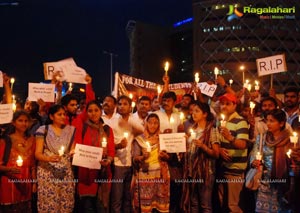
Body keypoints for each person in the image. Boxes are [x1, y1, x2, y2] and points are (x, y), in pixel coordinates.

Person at [74, 100, 115, 213]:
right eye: (90, 111)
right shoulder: (82, 128)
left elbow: (111, 151)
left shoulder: (107, 129)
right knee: (88, 207)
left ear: (101, 111)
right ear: (86, 113)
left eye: (96, 110)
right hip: (86, 175)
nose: (93, 113)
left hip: (102, 173)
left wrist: (108, 160)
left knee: (101, 207)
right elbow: (77, 148)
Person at [35, 104, 75, 212]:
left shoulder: (70, 130)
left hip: (65, 173)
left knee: (65, 202)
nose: (63, 116)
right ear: (51, 117)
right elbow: (37, 154)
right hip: (47, 173)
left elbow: (72, 149)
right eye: (59, 114)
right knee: (49, 203)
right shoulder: (43, 130)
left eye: (64, 114)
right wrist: (49, 159)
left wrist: (74, 153)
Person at [250, 109, 293, 212]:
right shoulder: (262, 138)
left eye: (272, 121)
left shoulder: (290, 140)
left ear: (281, 123)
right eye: (267, 120)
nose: (268, 124)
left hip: (282, 183)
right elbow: (254, 153)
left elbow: (293, 160)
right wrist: (254, 161)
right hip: (264, 182)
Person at [181, 101, 219, 212]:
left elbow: (216, 154)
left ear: (205, 114)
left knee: (205, 205)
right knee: (193, 204)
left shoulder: (211, 130)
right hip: (191, 172)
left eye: (197, 111)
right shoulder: (192, 130)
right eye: (193, 111)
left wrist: (203, 146)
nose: (194, 113)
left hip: (205, 173)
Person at [110, 95, 144, 213]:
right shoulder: (113, 122)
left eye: (125, 104)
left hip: (129, 164)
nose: (122, 106)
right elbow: (108, 145)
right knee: (117, 198)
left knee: (127, 198)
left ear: (130, 107)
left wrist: (129, 119)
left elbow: (142, 130)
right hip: (117, 164)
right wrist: (119, 146)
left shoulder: (132, 121)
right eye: (120, 104)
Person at [217, 93, 249, 213]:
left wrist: (230, 137)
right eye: (222, 104)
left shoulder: (241, 122)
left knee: (233, 205)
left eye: (228, 104)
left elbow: (243, 145)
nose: (224, 106)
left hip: (235, 171)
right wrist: (219, 150)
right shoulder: (220, 121)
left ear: (234, 105)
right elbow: (217, 142)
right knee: (222, 203)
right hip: (222, 169)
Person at [132, 113, 170, 213]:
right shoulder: (139, 139)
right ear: (146, 124)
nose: (153, 125)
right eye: (150, 123)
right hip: (146, 176)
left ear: (159, 124)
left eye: (156, 123)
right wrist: (142, 157)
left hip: (161, 175)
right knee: (147, 205)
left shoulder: (163, 138)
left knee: (160, 205)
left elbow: (169, 157)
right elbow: (135, 158)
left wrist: (165, 157)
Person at [0, 110, 36, 212]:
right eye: (20, 120)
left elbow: (33, 164)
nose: (24, 123)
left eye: (26, 121)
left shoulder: (32, 140)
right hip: (9, 183)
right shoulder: (6, 140)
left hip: (26, 183)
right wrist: (9, 169)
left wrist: (34, 182)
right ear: (13, 123)